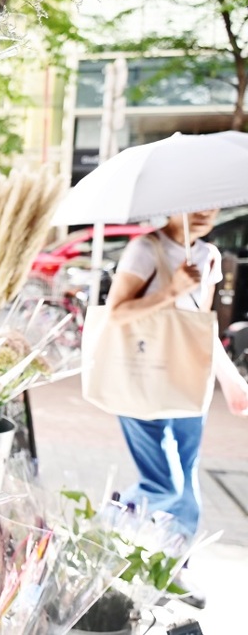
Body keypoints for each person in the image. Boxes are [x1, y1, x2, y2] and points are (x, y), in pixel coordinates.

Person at [106, 209, 248, 608]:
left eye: (212, 203)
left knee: (186, 481)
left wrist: (229, 378)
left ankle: (173, 566)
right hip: (142, 379)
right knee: (165, 484)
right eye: (195, 202)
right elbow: (116, 314)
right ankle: (112, 517)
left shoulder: (211, 255)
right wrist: (170, 290)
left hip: (188, 380)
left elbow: (201, 326)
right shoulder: (145, 249)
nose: (205, 212)